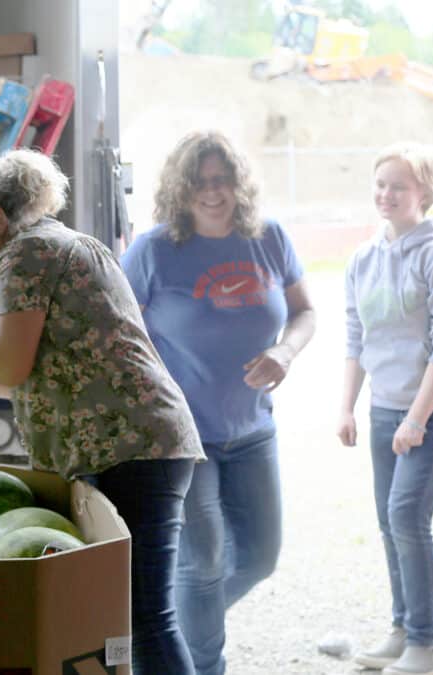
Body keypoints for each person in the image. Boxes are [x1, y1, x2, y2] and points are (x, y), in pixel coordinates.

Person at [0, 149, 206, 674]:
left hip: (135, 448)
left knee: (145, 615)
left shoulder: (25, 255)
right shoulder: (49, 246)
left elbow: (8, 367)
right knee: (132, 613)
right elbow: (36, 384)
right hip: (137, 444)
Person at [120, 130, 316, 675]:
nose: (212, 191)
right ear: (181, 190)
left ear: (238, 184)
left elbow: (305, 312)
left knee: (258, 558)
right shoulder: (154, 250)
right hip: (184, 436)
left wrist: (285, 351)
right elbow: (120, 335)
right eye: (200, 182)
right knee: (201, 563)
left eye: (222, 179)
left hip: (253, 428)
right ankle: (203, 666)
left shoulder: (269, 237)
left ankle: (166, 638)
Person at [338, 143, 433, 675]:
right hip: (385, 406)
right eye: (381, 184)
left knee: (408, 514)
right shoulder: (364, 257)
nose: (386, 195)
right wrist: (348, 407)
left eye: (399, 187)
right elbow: (355, 335)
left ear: (425, 193)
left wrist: (417, 418)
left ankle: (426, 645)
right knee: (391, 522)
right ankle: (403, 629)